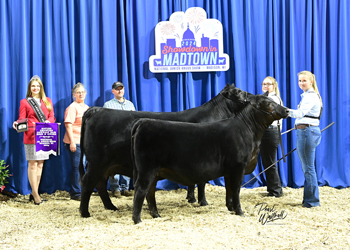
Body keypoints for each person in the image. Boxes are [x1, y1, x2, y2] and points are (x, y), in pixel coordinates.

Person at [12, 75, 56, 205]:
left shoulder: (47, 101)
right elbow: (22, 118)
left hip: (45, 135)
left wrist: (49, 121)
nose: (35, 88)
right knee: (32, 164)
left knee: (40, 164)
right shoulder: (25, 102)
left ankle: (34, 193)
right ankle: (36, 195)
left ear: (40, 87)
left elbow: (52, 116)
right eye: (33, 86)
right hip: (31, 135)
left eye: (37, 86)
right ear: (30, 88)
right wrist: (17, 123)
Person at [288, 70, 323, 208]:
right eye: (300, 81)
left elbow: (300, 113)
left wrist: (282, 110)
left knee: (308, 168)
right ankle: (309, 199)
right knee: (308, 167)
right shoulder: (310, 95)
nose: (301, 83)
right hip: (308, 131)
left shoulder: (310, 96)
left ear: (311, 81)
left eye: (304, 81)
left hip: (306, 132)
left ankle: (312, 201)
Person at [103, 81, 136, 198]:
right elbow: (105, 123)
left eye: (121, 89)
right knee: (114, 163)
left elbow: (134, 121)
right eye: (117, 89)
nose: (120, 91)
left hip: (128, 138)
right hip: (114, 139)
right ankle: (115, 188)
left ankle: (125, 188)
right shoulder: (108, 105)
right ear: (113, 91)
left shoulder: (130, 105)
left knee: (127, 161)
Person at [63, 83, 89, 201]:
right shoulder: (72, 107)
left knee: (82, 166)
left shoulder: (86, 107)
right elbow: (68, 125)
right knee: (76, 167)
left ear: (86, 93)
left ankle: (82, 189)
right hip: (75, 141)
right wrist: (72, 142)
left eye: (83, 92)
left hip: (84, 142)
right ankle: (75, 192)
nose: (81, 94)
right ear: (74, 95)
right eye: (78, 92)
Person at [260, 76, 284, 197]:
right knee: (267, 162)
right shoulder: (268, 98)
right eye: (264, 84)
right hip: (268, 132)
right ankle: (272, 189)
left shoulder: (272, 99)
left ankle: (276, 191)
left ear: (273, 86)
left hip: (270, 132)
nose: (265, 86)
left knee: (270, 162)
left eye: (268, 84)